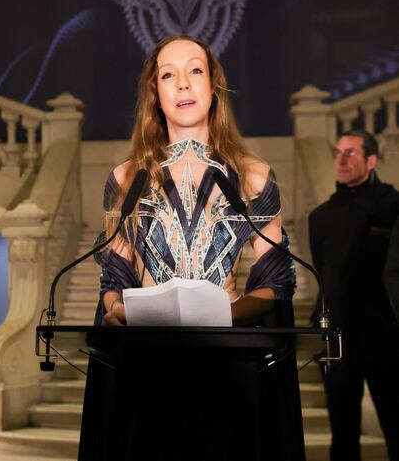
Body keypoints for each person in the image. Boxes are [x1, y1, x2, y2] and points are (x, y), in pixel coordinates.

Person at [79, 36, 302, 461]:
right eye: (168, 74)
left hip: (228, 371)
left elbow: (275, 284)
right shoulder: (127, 178)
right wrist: (115, 307)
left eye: (195, 70)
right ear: (155, 93)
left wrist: (221, 312)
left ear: (213, 85)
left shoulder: (254, 176)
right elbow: (115, 275)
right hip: (147, 371)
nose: (183, 84)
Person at [309, 130, 399, 461]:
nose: (341, 159)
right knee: (342, 436)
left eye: (351, 153)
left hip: (385, 337)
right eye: (338, 152)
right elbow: (324, 272)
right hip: (339, 340)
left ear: (371, 160)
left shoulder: (392, 205)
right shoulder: (320, 216)